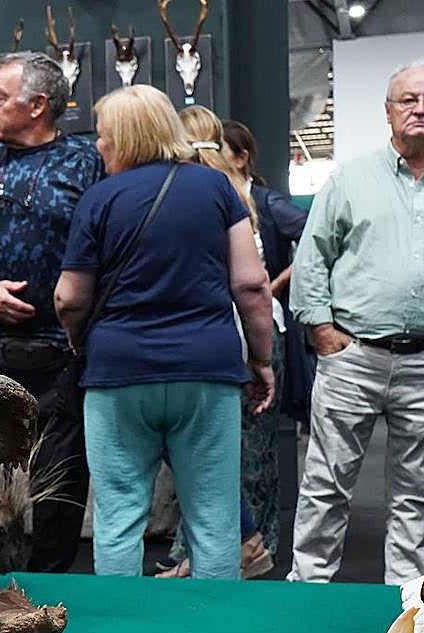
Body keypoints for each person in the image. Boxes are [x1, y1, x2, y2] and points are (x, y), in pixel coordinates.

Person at [54, 84, 274, 580]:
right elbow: (251, 283)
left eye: (105, 135)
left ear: (128, 139)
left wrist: (77, 340)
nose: (99, 145)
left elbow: (70, 296)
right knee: (215, 521)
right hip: (206, 370)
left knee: (118, 517)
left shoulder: (99, 199)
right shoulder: (217, 188)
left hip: (118, 374)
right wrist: (261, 360)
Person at [0, 51, 104, 573]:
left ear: (37, 106)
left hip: (63, 353)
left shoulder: (87, 162)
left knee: (60, 481)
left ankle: (54, 591)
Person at [288, 60, 424, 586]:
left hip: (421, 366)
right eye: (408, 100)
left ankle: (408, 603)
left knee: (416, 492)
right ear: (388, 112)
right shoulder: (351, 177)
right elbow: (312, 257)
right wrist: (321, 330)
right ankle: (309, 588)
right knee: (327, 484)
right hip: (355, 357)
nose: (419, 109)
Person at [157, 105, 278, 579]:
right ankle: (221, 549)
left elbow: (251, 281)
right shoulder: (229, 190)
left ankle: (243, 543)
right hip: (227, 337)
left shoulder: (202, 191)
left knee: (200, 458)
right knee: (207, 456)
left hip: (212, 335)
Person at [222, 117, 313, 425]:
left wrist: (276, 283)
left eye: (217, 150)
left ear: (241, 156)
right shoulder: (213, 198)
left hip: (259, 323)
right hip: (221, 326)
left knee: (256, 427)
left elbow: (317, 237)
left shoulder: (266, 202)